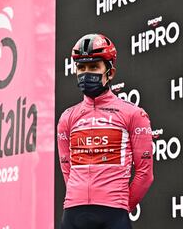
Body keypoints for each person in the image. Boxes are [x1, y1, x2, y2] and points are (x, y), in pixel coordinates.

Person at [57, 33, 154, 229]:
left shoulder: (133, 114)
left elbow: (145, 174)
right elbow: (67, 169)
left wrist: (120, 205)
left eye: (94, 67)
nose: (86, 73)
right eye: (81, 68)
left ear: (110, 72)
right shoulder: (67, 117)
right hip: (73, 214)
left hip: (113, 215)